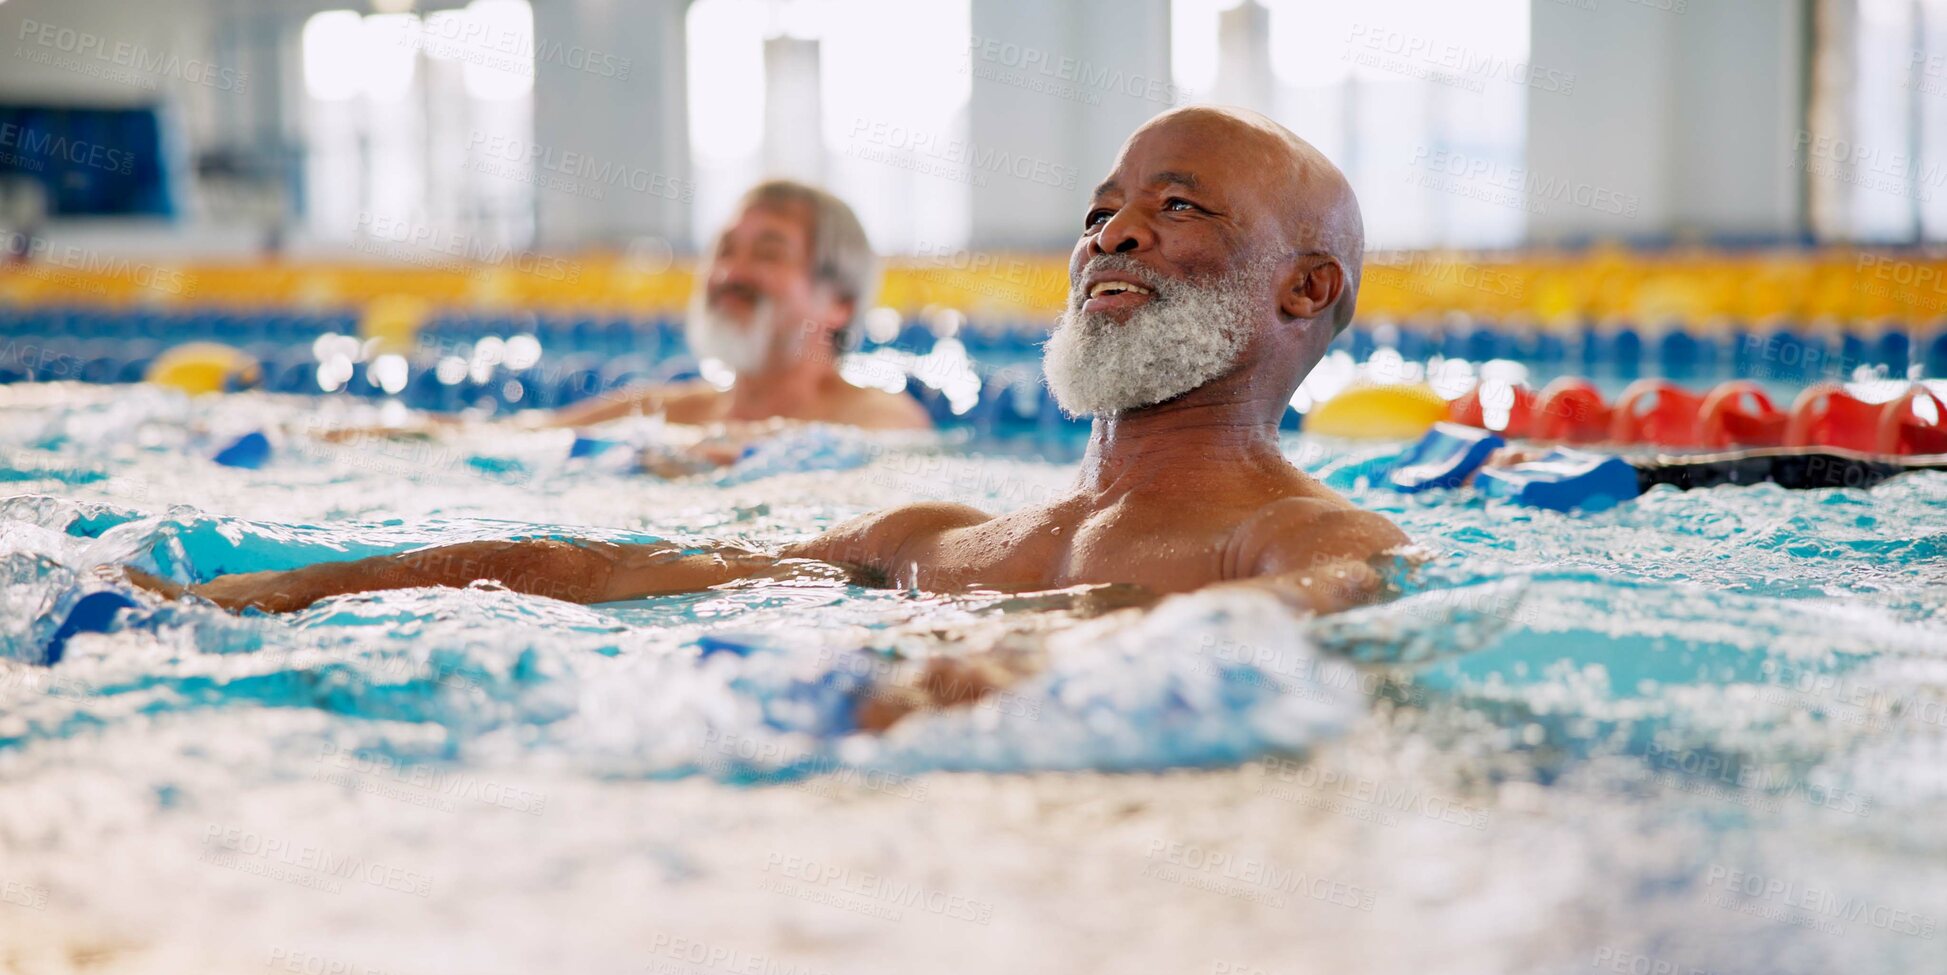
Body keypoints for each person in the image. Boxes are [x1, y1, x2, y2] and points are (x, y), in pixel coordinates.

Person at [125, 106, 1410, 725]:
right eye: (1100, 210)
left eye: (1178, 206)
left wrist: (1029, 665)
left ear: (1307, 288)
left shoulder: (1301, 537)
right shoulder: (936, 534)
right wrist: (270, 595)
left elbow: (1284, 622)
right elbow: (610, 569)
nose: (1112, 232)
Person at [329, 180, 930, 442]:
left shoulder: (879, 422)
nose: (729, 275)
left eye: (766, 254)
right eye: (724, 251)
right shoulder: (672, 412)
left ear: (840, 300)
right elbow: (513, 438)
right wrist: (373, 434)